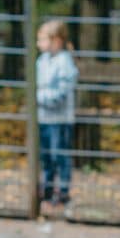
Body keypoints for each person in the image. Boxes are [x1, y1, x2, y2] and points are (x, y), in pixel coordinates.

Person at [35, 19, 79, 208]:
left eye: (43, 40)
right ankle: (47, 188)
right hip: (43, 117)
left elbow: (62, 91)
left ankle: (62, 191)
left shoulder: (64, 62)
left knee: (59, 155)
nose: (39, 44)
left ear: (57, 41)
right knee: (45, 155)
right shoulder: (42, 61)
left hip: (59, 118)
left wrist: (40, 98)